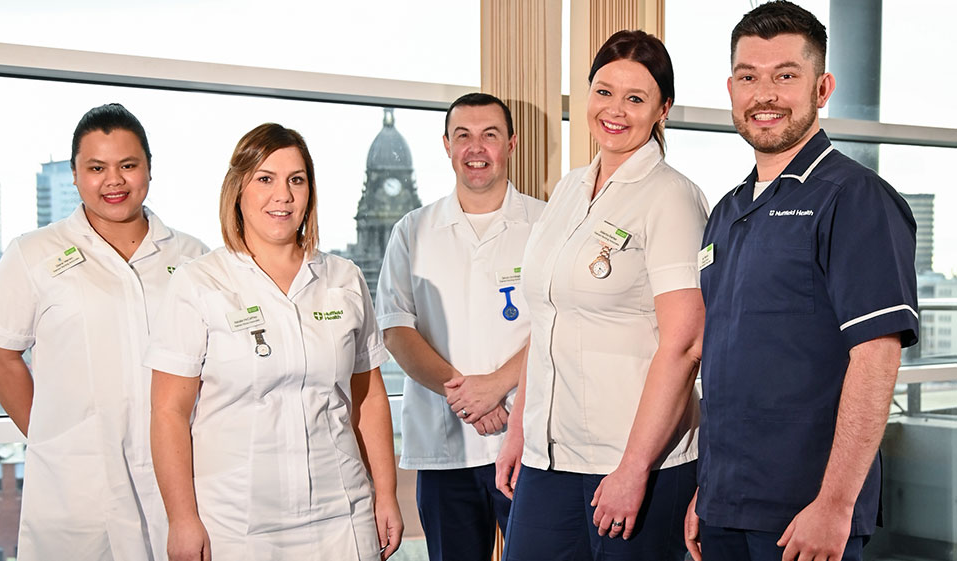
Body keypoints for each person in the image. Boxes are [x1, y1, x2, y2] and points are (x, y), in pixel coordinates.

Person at [683, 3, 919, 561]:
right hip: (725, 504)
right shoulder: (727, 212)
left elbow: (876, 358)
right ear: (731, 90)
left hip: (805, 512)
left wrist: (835, 504)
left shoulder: (855, 198)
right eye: (748, 78)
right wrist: (708, 490)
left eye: (785, 75)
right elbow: (727, 363)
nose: (764, 95)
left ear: (822, 88)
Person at [495, 30, 707, 561]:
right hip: (548, 459)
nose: (615, 110)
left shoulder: (672, 197)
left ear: (663, 109)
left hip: (634, 463)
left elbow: (685, 344)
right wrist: (519, 430)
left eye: (635, 98)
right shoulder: (569, 189)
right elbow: (547, 320)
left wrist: (634, 467)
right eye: (604, 91)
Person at [146, 123, 403, 560]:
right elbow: (168, 411)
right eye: (265, 179)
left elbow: (369, 396)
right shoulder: (199, 283)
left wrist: (386, 493)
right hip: (237, 521)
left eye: (295, 180)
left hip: (343, 511)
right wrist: (181, 518)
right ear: (238, 189)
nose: (282, 195)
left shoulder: (344, 278)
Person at [0, 103, 208, 560]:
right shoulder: (33, 254)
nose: (113, 181)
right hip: (74, 489)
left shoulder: (193, 256)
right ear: (76, 175)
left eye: (128, 165)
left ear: (149, 169)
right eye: (97, 168)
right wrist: (55, 436)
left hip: (178, 482)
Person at [375, 92, 545, 561]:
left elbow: (560, 324)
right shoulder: (412, 230)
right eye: (463, 136)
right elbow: (396, 330)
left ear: (511, 143)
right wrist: (466, 396)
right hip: (444, 448)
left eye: (490, 135)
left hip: (529, 442)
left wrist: (496, 386)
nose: (476, 148)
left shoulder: (546, 224)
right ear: (447, 145)